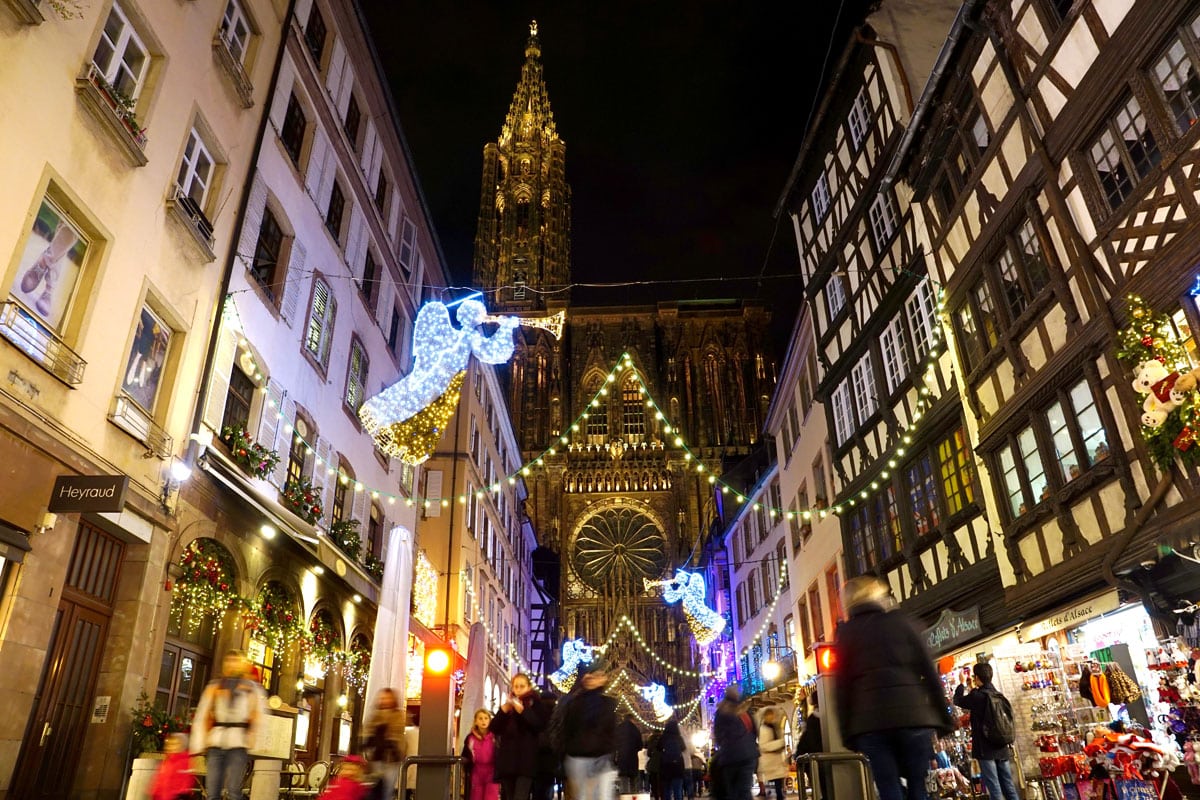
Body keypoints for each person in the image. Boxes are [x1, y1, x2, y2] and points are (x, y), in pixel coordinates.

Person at [358, 298, 520, 463]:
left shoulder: (455, 334)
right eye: (480, 315)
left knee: (414, 402)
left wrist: (505, 327)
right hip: (444, 379)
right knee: (420, 409)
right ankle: (398, 433)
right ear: (475, 317)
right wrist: (506, 329)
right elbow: (491, 352)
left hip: (440, 375)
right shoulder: (470, 336)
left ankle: (389, 425)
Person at [834, 576, 952, 800]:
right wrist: (943, 718)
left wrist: (846, 732)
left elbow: (842, 689)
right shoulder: (902, 623)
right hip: (913, 718)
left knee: (888, 787)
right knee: (919, 786)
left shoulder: (847, 635)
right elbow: (929, 672)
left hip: (871, 724)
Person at [190, 649, 268, 800]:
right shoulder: (215, 686)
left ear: (242, 664)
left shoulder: (251, 688)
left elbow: (259, 714)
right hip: (216, 740)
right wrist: (199, 742)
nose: (232, 664)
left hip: (238, 742)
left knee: (233, 790)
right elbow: (203, 712)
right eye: (229, 661)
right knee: (212, 790)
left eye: (235, 661)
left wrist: (255, 738)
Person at [953, 663, 1019, 800]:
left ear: (977, 677)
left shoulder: (977, 697)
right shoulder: (998, 694)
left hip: (985, 749)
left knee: (994, 789)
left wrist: (961, 683)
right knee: (1009, 786)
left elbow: (958, 700)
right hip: (1001, 745)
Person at [561, 660, 619, 800]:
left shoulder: (609, 703)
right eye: (594, 675)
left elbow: (611, 731)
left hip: (602, 758)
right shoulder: (575, 702)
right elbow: (567, 729)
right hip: (579, 757)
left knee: (603, 797)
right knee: (583, 797)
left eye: (601, 675)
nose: (598, 679)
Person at [490, 673, 552, 800]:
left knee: (520, 796)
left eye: (522, 686)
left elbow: (539, 725)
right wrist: (503, 711)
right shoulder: (509, 706)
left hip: (526, 761)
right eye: (516, 686)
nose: (518, 689)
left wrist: (523, 711)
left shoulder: (536, 704)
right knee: (509, 796)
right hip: (508, 760)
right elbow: (494, 728)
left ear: (529, 687)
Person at [711, 686, 758, 800]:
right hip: (748, 755)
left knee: (732, 791)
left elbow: (718, 734)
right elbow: (755, 731)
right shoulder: (745, 711)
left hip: (729, 755)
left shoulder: (721, 712)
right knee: (745, 789)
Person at [364, 688, 407, 800]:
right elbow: (368, 731)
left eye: (387, 698)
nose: (385, 700)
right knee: (375, 786)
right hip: (376, 757)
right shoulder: (374, 715)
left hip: (391, 757)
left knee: (387, 788)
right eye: (383, 698)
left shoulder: (398, 715)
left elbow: (396, 734)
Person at [792, 696, 830, 800]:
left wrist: (798, 754)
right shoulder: (829, 714)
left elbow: (806, 740)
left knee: (821, 787)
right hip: (827, 756)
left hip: (816, 758)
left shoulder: (812, 719)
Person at [464, 709, 501, 800]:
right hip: (476, 771)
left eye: (486, 718)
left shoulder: (495, 736)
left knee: (491, 797)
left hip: (492, 771)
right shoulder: (470, 738)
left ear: (489, 720)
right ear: (476, 721)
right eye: (480, 718)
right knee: (476, 797)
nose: (483, 721)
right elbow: (465, 755)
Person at [150, 732, 193, 800]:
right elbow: (160, 779)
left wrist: (181, 793)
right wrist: (155, 792)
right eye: (169, 744)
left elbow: (186, 781)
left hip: (176, 797)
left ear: (182, 746)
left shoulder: (183, 762)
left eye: (175, 744)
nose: (171, 747)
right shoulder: (167, 762)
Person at [756, 709, 788, 800]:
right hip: (770, 761)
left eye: (772, 715)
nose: (771, 717)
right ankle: (777, 795)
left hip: (776, 761)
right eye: (769, 715)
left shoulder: (774, 727)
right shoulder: (764, 729)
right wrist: (779, 743)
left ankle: (779, 795)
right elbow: (764, 746)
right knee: (776, 782)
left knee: (778, 782)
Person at [658, 719, 687, 800]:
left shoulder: (663, 737)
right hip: (678, 767)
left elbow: (658, 748)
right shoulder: (679, 738)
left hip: (666, 767)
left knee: (667, 789)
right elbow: (683, 748)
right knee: (677, 790)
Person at [615, 713, 644, 795]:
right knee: (633, 779)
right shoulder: (635, 729)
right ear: (632, 719)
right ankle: (633, 795)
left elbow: (614, 743)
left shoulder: (618, 728)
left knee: (623, 778)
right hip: (632, 758)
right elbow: (640, 746)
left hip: (622, 758)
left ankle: (624, 796)